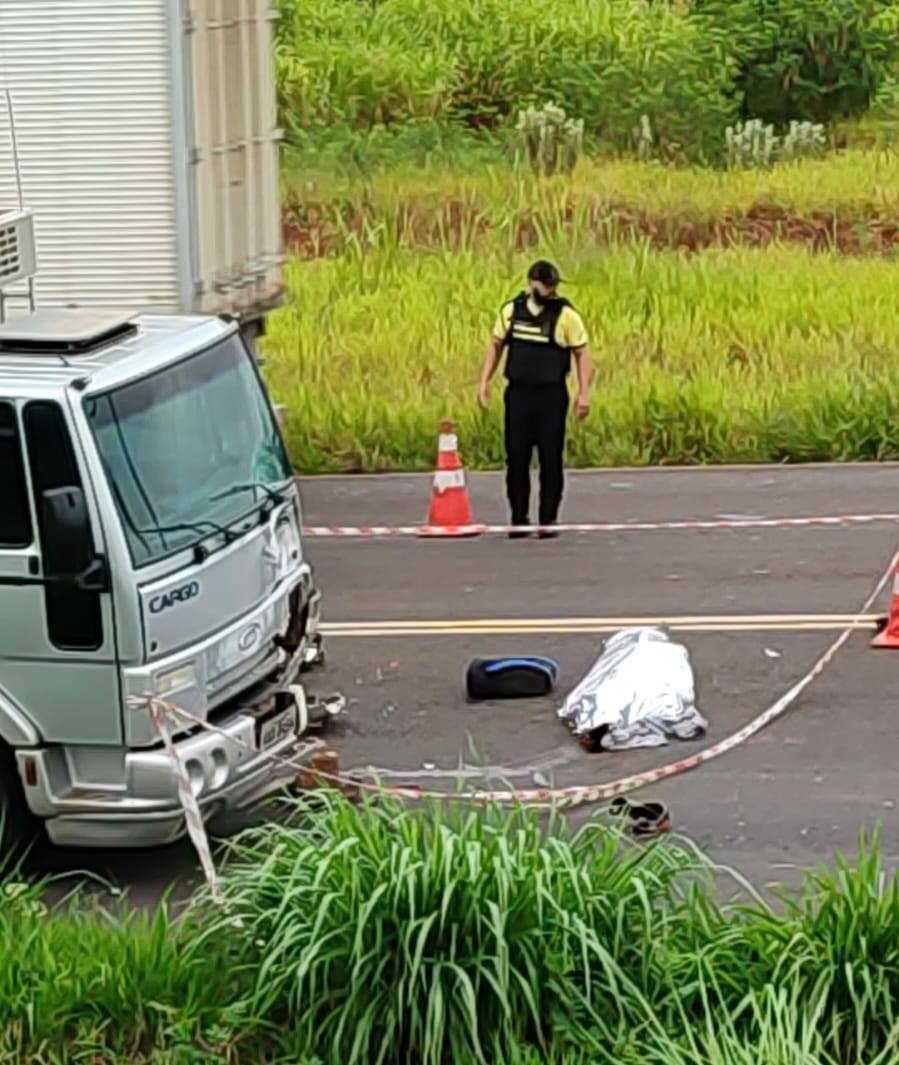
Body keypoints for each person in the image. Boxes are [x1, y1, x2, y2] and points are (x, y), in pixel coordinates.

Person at [477, 261, 592, 538]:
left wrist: (584, 392)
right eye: (545, 286)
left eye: (553, 286)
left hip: (551, 395)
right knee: (516, 457)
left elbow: (582, 353)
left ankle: (548, 519)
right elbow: (495, 345)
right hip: (518, 394)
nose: (550, 291)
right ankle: (519, 518)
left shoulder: (566, 315)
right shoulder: (511, 312)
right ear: (531, 283)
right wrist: (484, 382)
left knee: (550, 457)